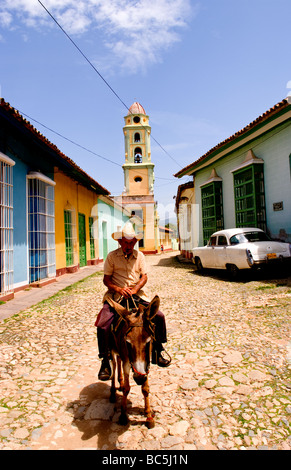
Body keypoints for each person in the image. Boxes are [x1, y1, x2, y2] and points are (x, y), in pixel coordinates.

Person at [95, 222, 171, 381]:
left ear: (135, 242)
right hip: (116, 296)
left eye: (131, 243)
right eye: (125, 242)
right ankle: (105, 360)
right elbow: (106, 279)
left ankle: (158, 350)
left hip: (137, 295)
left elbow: (144, 277)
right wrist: (117, 289)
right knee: (103, 324)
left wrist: (135, 289)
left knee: (159, 317)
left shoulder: (140, 256)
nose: (128, 246)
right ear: (120, 242)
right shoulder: (111, 256)